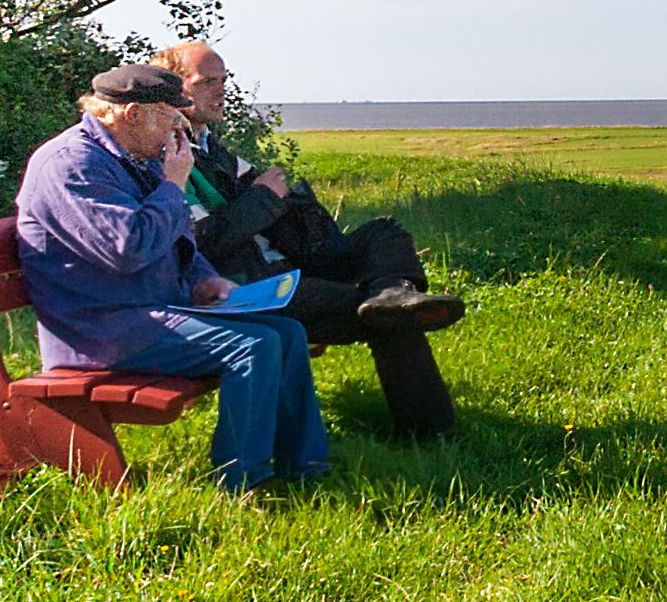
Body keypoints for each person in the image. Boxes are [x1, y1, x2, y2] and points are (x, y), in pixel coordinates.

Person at [14, 59, 327, 500]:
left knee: (288, 332)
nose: (178, 124)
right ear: (132, 114)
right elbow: (129, 249)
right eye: (169, 114)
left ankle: (307, 469)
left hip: (145, 312)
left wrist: (204, 280)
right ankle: (244, 484)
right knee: (252, 347)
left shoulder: (130, 158)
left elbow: (178, 239)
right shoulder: (73, 166)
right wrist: (173, 185)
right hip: (98, 329)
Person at [152, 40, 465, 442]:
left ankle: (392, 293)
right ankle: (431, 437)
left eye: (224, 79)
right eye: (208, 80)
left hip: (285, 263)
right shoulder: (171, 154)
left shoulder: (212, 147)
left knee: (384, 233)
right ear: (176, 88)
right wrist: (264, 196)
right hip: (250, 287)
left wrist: (290, 204)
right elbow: (204, 245)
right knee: (390, 321)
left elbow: (265, 201)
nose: (221, 89)